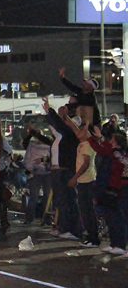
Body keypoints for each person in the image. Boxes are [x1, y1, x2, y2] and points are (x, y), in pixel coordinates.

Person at [44, 99, 82, 240]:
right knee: (61, 201)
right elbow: (55, 126)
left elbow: (59, 125)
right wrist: (48, 112)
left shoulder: (71, 135)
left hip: (65, 170)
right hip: (58, 170)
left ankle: (73, 229)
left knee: (69, 201)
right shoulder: (62, 137)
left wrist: (51, 111)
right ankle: (63, 227)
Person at [66, 118, 100, 247]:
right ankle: (90, 237)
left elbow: (85, 164)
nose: (78, 131)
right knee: (84, 211)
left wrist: (74, 178)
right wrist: (67, 119)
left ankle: (93, 238)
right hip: (83, 181)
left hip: (87, 181)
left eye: (83, 130)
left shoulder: (88, 145)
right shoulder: (82, 143)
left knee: (88, 211)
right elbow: (74, 129)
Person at [21, 126, 52, 225]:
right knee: (33, 196)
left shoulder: (49, 145)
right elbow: (25, 146)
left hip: (47, 173)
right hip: (35, 173)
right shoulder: (31, 145)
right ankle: (29, 218)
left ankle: (47, 219)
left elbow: (52, 158)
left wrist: (43, 160)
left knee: (47, 197)